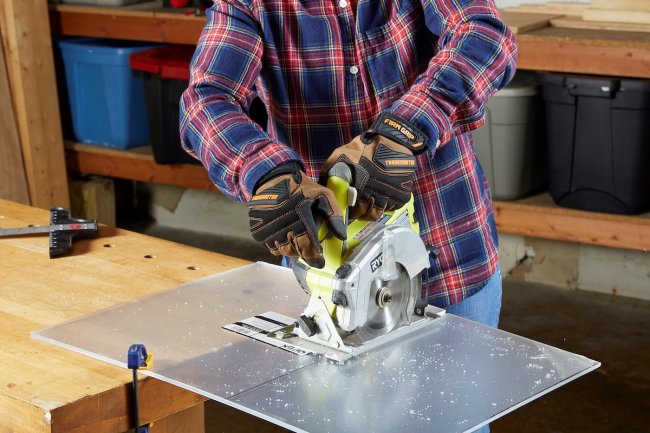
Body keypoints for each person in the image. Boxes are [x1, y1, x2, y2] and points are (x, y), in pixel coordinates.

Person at [181, 0, 515, 408]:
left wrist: (403, 129)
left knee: (460, 417)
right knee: (339, 419)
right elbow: (206, 99)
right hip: (328, 277)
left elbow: (483, 34)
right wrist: (264, 172)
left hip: (450, 251)